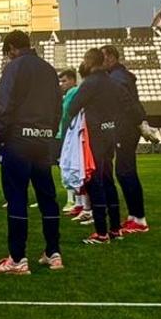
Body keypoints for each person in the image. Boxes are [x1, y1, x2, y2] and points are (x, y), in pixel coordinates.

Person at [0, 31, 62, 275]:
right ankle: (53, 253)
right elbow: (57, 108)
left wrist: (1, 134)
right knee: (47, 197)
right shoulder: (49, 70)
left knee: (17, 197)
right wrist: (47, 132)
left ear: (10, 48)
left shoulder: (13, 68)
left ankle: (18, 259)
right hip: (42, 140)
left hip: (18, 140)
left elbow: (6, 105)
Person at [67, 48, 125, 245]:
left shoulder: (90, 84)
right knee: (109, 179)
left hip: (94, 136)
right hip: (110, 132)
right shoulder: (113, 82)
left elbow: (73, 106)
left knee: (94, 181)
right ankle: (116, 228)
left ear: (89, 61)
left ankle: (101, 232)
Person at [102, 45, 151, 234]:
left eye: (104, 58)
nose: (102, 62)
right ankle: (134, 216)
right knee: (124, 171)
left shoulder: (117, 79)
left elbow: (128, 103)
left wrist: (140, 122)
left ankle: (139, 218)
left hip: (125, 129)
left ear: (112, 58)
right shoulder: (122, 76)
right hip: (127, 128)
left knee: (125, 171)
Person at [56, 68, 90, 219]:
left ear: (73, 80)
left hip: (71, 133)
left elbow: (68, 114)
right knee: (72, 167)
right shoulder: (69, 94)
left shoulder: (74, 92)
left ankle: (81, 204)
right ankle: (78, 203)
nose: (62, 84)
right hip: (68, 133)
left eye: (65, 81)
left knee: (75, 167)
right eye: (61, 81)